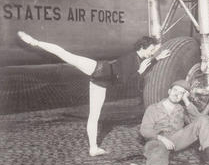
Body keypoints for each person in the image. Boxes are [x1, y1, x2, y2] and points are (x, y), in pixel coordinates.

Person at [17, 31, 170, 156]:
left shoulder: (140, 59)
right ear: (144, 47)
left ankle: (93, 148)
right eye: (151, 49)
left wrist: (157, 58)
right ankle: (34, 42)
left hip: (101, 82)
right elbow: (134, 75)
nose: (152, 52)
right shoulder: (136, 59)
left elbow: (143, 67)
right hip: (98, 69)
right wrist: (148, 65)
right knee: (65, 55)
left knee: (94, 115)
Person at [129, 80, 209, 165]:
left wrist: (187, 101)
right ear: (169, 91)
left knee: (205, 118)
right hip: (156, 141)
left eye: (181, 93)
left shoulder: (182, 109)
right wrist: (161, 138)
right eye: (175, 90)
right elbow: (145, 130)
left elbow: (199, 121)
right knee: (158, 147)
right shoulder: (153, 108)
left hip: (176, 141)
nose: (177, 94)